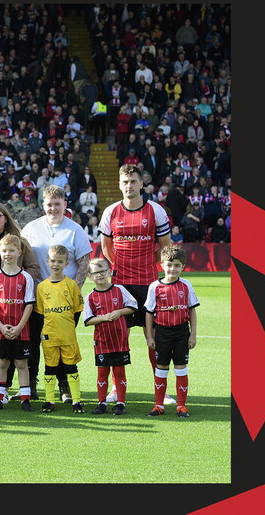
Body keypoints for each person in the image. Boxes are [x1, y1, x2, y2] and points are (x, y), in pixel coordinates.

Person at [99, 165, 174, 405]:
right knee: (118, 337)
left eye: (133, 181)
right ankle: (115, 388)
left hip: (149, 284)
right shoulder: (111, 211)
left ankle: (162, 391)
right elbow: (106, 247)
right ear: (119, 184)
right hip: (120, 285)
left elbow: (165, 246)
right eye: (125, 181)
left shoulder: (156, 211)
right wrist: (121, 265)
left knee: (154, 337)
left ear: (141, 183)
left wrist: (146, 263)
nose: (129, 185)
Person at [21, 185, 92, 403]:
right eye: (49, 204)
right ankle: (30, 385)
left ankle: (64, 386)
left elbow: (84, 263)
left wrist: (72, 291)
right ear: (43, 205)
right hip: (37, 298)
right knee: (32, 342)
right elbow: (21, 258)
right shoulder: (31, 228)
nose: (53, 208)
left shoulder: (75, 230)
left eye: (57, 204)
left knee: (63, 343)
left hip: (65, 301)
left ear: (65, 205)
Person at [0, 202, 40, 400]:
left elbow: (33, 267)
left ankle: (4, 388)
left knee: (10, 344)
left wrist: (17, 282)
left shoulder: (19, 241)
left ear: (6, 218)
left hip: (12, 304)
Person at [144, 246, 199, 419]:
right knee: (161, 368)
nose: (172, 269)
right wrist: (150, 336)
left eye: (177, 265)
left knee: (181, 368)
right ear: (161, 265)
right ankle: (159, 405)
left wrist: (193, 334)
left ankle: (181, 406)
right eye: (169, 265)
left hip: (182, 332)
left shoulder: (186, 285)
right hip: (162, 332)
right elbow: (149, 313)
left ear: (183, 267)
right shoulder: (155, 286)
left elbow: (192, 310)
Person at [0, 234, 36, 412]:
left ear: (19, 252)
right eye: (5, 250)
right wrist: (0, 326)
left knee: (21, 363)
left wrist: (19, 327)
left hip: (21, 329)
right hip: (1, 330)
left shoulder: (26, 278)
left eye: (12, 250)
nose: (8, 254)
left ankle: (25, 400)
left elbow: (29, 304)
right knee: (1, 363)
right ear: (0, 252)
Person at [82, 257, 137, 415]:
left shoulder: (119, 289)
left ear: (109, 272)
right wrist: (104, 318)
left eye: (102, 271)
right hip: (102, 341)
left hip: (119, 340)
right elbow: (88, 320)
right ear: (90, 276)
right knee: (102, 372)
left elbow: (133, 306)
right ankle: (101, 403)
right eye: (95, 273)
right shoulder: (90, 297)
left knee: (119, 371)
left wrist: (119, 312)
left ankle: (121, 403)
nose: (99, 275)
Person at [35, 244, 85, 413]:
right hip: (49, 335)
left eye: (60, 261)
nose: (56, 264)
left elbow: (77, 310)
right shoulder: (42, 287)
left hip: (67, 335)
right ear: (47, 261)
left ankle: (76, 401)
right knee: (50, 368)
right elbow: (40, 314)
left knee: (71, 367)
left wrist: (69, 328)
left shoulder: (71, 285)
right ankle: (49, 401)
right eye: (53, 261)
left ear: (66, 264)